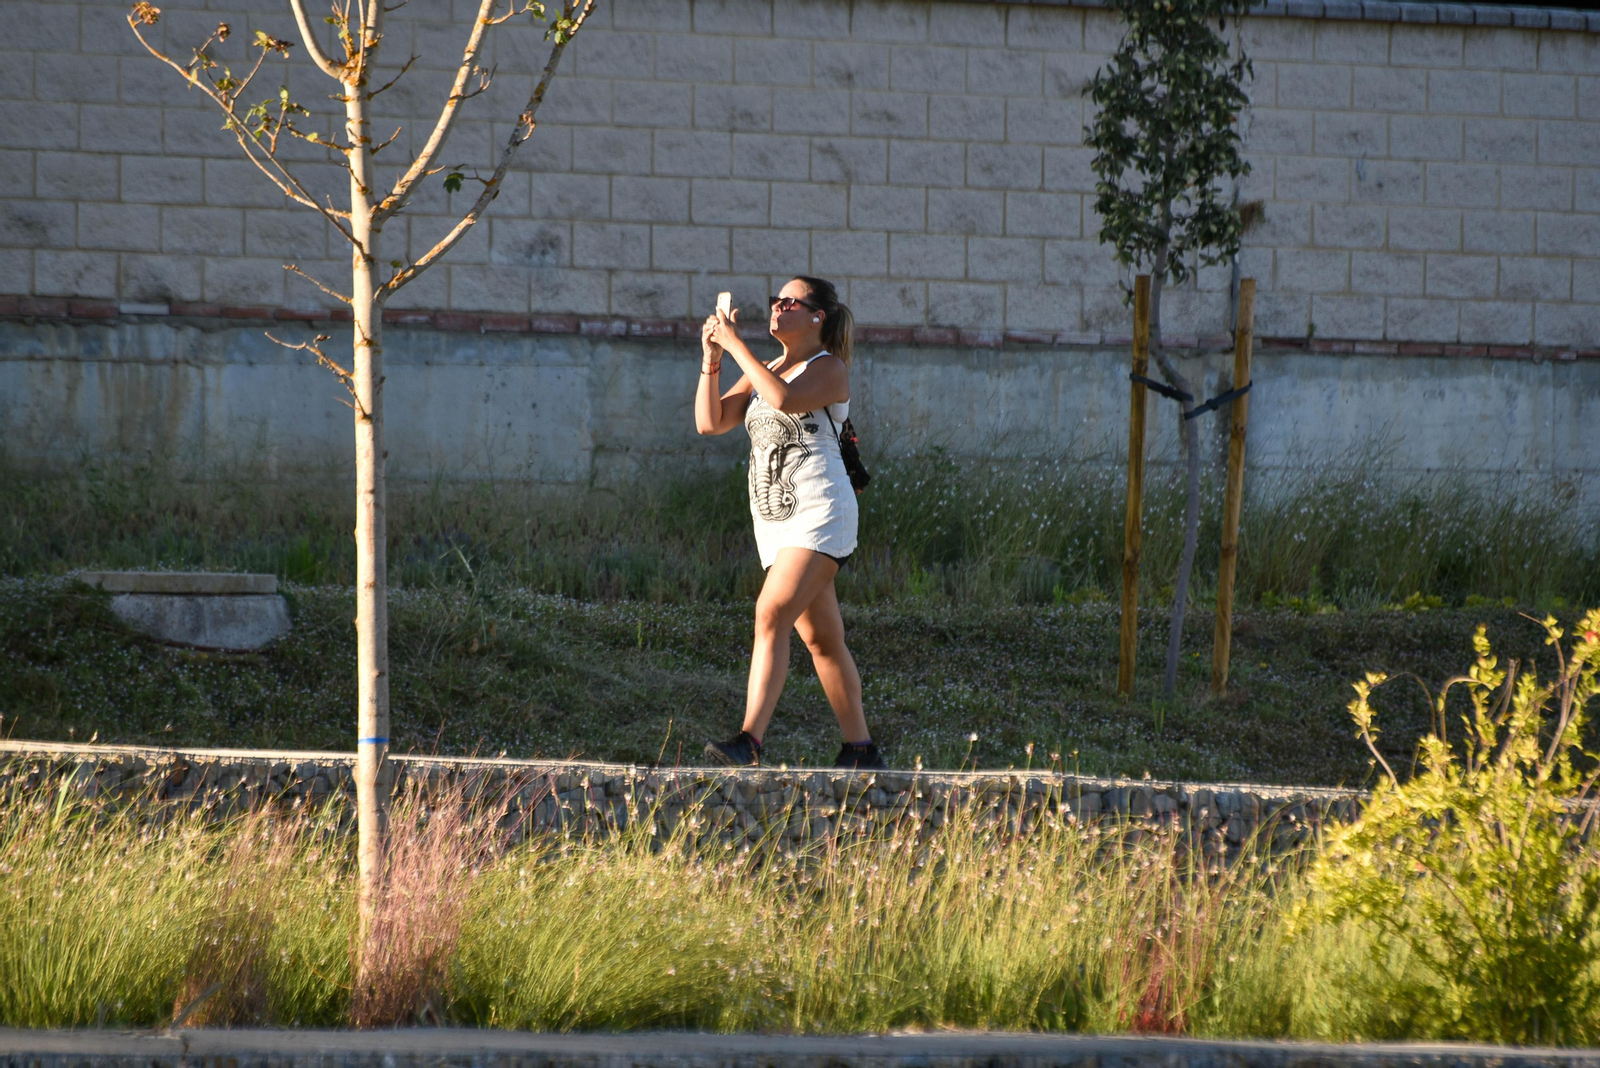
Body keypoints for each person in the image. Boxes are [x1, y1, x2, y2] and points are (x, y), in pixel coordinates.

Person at [693, 276, 884, 770]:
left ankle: (749, 742)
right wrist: (713, 358)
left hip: (822, 513)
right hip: (777, 523)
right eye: (775, 301)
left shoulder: (829, 368)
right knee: (823, 641)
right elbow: (710, 422)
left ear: (817, 316)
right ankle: (861, 750)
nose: (776, 307)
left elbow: (781, 399)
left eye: (788, 302)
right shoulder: (768, 367)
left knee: (770, 612)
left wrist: (736, 344)